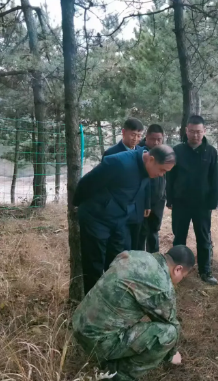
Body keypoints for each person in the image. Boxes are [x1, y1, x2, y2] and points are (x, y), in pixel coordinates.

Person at [73, 245, 195, 381]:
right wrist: (172, 354)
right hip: (97, 342)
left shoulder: (133, 255)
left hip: (79, 323)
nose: (181, 280)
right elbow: (171, 323)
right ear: (178, 269)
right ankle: (118, 375)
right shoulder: (162, 285)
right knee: (169, 334)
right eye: (183, 276)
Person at [74, 145, 176, 293]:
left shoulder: (147, 170)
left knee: (118, 261)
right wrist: (79, 205)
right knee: (94, 264)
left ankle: (113, 297)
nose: (161, 175)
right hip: (96, 218)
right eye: (162, 170)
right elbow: (86, 183)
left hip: (119, 219)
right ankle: (93, 302)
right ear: (151, 159)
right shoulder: (119, 163)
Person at [166, 115, 218, 286]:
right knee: (179, 237)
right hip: (180, 203)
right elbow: (170, 177)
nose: (195, 135)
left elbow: (215, 179)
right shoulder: (177, 151)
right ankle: (175, 270)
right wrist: (170, 199)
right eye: (192, 131)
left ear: (204, 131)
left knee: (203, 238)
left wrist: (212, 202)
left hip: (202, 204)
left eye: (199, 132)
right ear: (186, 131)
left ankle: (205, 271)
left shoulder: (211, 152)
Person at [104, 117, 148, 250]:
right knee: (121, 245)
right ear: (123, 132)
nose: (136, 139)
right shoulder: (111, 154)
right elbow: (106, 183)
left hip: (138, 207)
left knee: (137, 244)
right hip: (118, 208)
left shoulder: (143, 153)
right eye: (133, 134)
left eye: (139, 135)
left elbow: (147, 180)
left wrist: (147, 203)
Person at [137, 124, 166, 253]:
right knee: (141, 233)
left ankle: (154, 259)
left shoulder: (163, 153)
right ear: (146, 137)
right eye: (153, 139)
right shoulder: (140, 153)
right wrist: (146, 204)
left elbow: (165, 176)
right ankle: (139, 259)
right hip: (142, 202)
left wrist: (164, 195)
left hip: (158, 202)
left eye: (159, 139)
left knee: (154, 232)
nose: (156, 142)